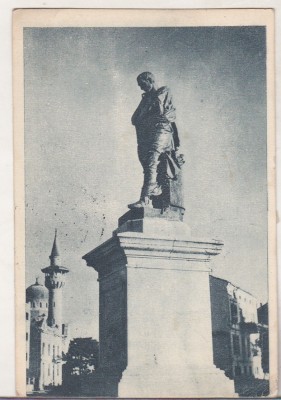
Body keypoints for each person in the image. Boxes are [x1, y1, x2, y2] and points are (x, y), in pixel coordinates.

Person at [128, 72, 180, 209]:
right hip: (150, 132)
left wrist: (146, 112)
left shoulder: (163, 90)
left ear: (149, 80)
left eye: (142, 84)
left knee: (152, 158)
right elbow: (134, 119)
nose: (140, 88)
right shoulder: (145, 98)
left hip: (163, 129)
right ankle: (152, 191)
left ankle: (145, 198)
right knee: (147, 163)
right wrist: (145, 103)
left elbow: (160, 109)